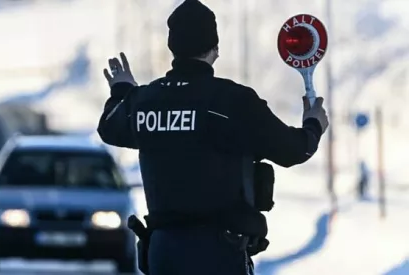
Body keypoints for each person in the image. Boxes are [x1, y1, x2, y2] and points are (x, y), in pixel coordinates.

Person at [97, 0, 329, 274]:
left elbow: (109, 125)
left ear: (172, 47)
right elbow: (294, 151)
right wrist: (313, 124)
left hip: (163, 253)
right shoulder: (233, 101)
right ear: (215, 49)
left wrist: (122, 90)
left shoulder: (144, 101)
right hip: (219, 253)